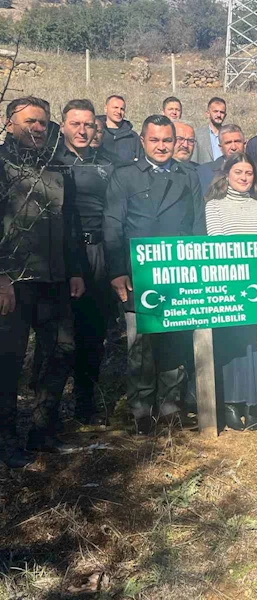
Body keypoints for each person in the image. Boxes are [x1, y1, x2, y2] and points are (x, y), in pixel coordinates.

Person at [103, 115, 205, 435]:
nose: (162, 147)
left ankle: (171, 405)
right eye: (155, 140)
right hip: (137, 275)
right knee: (141, 346)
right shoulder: (125, 177)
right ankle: (142, 409)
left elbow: (197, 225)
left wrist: (197, 268)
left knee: (174, 341)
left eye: (167, 140)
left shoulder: (187, 176)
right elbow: (112, 226)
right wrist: (117, 271)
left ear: (175, 142)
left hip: (177, 274)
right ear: (143, 141)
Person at [1, 96, 85, 467]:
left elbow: (71, 226)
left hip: (54, 279)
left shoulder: (57, 167)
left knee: (61, 351)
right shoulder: (2, 167)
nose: (38, 128)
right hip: (14, 281)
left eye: (42, 123)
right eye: (30, 121)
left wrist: (76, 270)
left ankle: (41, 430)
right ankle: (5, 440)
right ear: (9, 124)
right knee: (8, 362)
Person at [53, 99, 120, 424]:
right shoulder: (51, 163)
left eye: (88, 124)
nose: (82, 130)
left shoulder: (106, 164)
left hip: (100, 254)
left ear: (96, 127)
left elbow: (114, 214)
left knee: (95, 334)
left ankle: (85, 404)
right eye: (75, 124)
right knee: (62, 338)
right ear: (62, 125)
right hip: (62, 256)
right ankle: (47, 412)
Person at [205, 152, 257, 431]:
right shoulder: (215, 206)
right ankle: (232, 404)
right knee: (233, 344)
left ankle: (255, 402)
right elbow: (217, 241)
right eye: (239, 173)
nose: (244, 178)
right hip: (230, 284)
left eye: (249, 173)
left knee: (255, 342)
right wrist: (238, 273)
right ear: (227, 175)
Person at [197, 124, 246, 194]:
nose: (234, 147)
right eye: (228, 143)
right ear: (220, 147)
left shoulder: (256, 170)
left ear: (244, 144)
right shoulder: (204, 172)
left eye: (237, 141)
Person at [98, 95, 140, 162]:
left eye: (122, 109)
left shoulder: (132, 137)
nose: (119, 112)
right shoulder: (96, 133)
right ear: (106, 109)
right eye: (115, 107)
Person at [194, 97, 227, 164]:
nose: (219, 115)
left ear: (225, 115)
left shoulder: (229, 135)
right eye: (215, 111)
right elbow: (193, 161)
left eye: (222, 112)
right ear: (208, 114)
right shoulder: (198, 135)